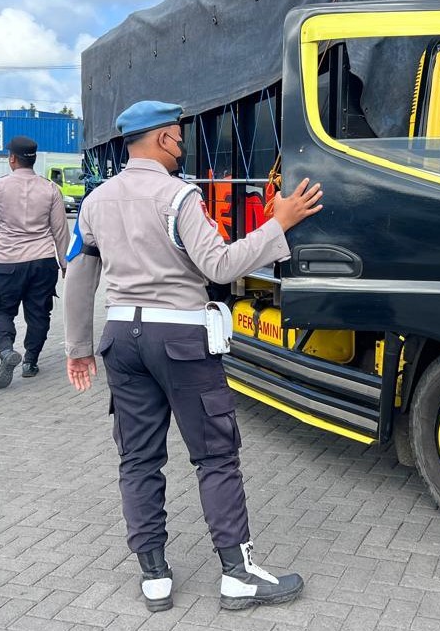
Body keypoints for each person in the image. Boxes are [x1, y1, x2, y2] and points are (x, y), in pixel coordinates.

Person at [63, 100, 323, 612]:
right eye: (179, 140)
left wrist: (78, 349)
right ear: (163, 139)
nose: (181, 149)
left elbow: (79, 273)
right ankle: (238, 576)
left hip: (121, 337)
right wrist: (278, 224)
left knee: (138, 458)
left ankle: (154, 577)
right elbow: (219, 266)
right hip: (180, 338)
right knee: (215, 456)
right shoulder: (179, 197)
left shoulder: (96, 201)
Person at [0, 136, 69, 388]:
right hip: (43, 262)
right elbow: (60, 230)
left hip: (8, 262)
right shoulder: (50, 189)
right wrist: (65, 263)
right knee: (39, 313)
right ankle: (30, 361)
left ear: (12, 159)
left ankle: (6, 350)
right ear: (34, 159)